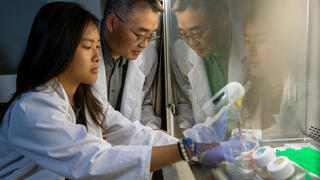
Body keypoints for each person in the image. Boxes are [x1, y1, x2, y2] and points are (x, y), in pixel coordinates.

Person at [0, 2, 248, 179]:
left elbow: (133, 133)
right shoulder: (32, 109)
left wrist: (199, 143)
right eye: (88, 47)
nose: (98, 56)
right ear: (59, 49)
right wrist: (189, 149)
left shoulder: (86, 99)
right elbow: (92, 161)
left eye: (98, 46)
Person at [171, 0, 248, 131]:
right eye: (183, 34)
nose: (191, 42)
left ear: (223, 18)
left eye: (197, 33)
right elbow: (184, 103)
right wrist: (185, 131)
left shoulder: (249, 44)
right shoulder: (180, 52)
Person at [95, 0, 162, 129]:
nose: (145, 44)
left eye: (151, 35)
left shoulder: (148, 55)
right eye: (141, 35)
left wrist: (153, 130)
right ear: (112, 22)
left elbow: (142, 103)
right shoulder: (80, 53)